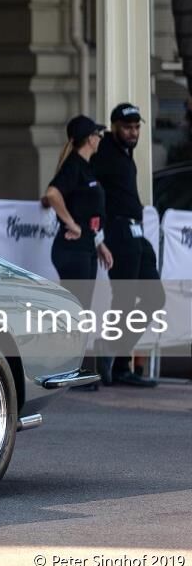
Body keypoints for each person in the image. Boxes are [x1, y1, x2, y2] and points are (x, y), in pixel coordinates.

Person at [91, 102, 164, 387]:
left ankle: (115, 352)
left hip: (136, 230)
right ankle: (118, 362)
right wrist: (99, 237)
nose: (133, 133)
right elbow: (92, 193)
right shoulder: (104, 152)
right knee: (123, 298)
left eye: (136, 128)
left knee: (154, 297)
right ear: (114, 127)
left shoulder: (124, 153)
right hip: (117, 230)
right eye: (127, 127)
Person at [44, 116, 113, 327]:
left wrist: (99, 243)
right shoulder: (74, 165)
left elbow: (90, 213)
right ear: (90, 139)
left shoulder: (85, 166)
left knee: (81, 314)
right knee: (76, 314)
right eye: (98, 135)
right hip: (72, 249)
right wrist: (71, 223)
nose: (100, 139)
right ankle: (63, 357)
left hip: (86, 247)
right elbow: (52, 194)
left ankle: (75, 359)